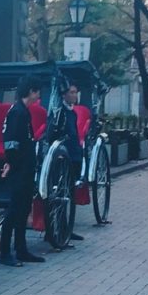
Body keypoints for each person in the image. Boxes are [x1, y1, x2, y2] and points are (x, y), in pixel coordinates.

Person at [0, 75, 46, 266]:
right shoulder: (18, 112)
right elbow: (10, 141)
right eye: (37, 92)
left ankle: (21, 249)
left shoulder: (22, 111)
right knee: (14, 210)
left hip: (25, 166)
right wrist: (11, 162)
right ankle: (5, 253)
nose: (39, 96)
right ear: (31, 91)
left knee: (24, 208)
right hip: (20, 168)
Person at [61, 83, 85, 241]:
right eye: (72, 92)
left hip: (74, 154)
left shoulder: (73, 113)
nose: (75, 96)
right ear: (64, 94)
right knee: (62, 193)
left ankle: (67, 226)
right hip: (64, 156)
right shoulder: (60, 113)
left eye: (76, 92)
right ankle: (62, 227)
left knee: (69, 193)